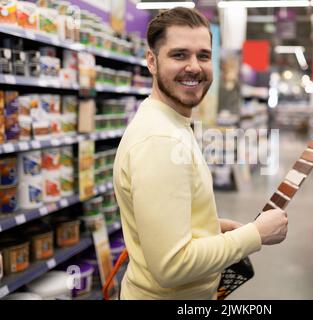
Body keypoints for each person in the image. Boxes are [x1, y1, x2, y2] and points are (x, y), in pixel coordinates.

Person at [113, 7, 288, 300]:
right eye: (179, 55)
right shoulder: (161, 141)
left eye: (203, 56)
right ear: (152, 62)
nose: (194, 66)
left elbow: (160, 222)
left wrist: (211, 227)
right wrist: (254, 235)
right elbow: (171, 265)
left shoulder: (172, 122)